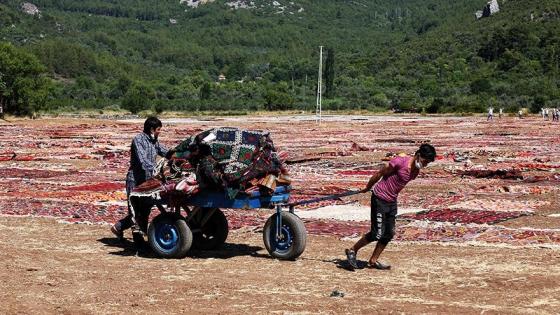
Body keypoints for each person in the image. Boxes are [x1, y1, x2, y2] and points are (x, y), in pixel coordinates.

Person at [344, 143, 436, 270]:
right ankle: (352, 250)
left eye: (427, 164)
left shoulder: (415, 171)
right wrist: (368, 187)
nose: (425, 165)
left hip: (392, 201)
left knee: (389, 233)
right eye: (425, 161)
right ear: (418, 155)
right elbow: (380, 173)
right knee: (377, 233)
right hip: (380, 198)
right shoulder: (400, 162)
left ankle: (373, 260)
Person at [111, 117, 174, 240]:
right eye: (158, 130)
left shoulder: (154, 141)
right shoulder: (138, 140)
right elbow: (143, 161)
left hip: (147, 180)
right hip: (135, 180)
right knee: (135, 210)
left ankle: (119, 227)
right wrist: (159, 170)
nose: (159, 132)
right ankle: (138, 241)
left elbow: (166, 152)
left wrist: (179, 154)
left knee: (145, 209)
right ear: (151, 129)